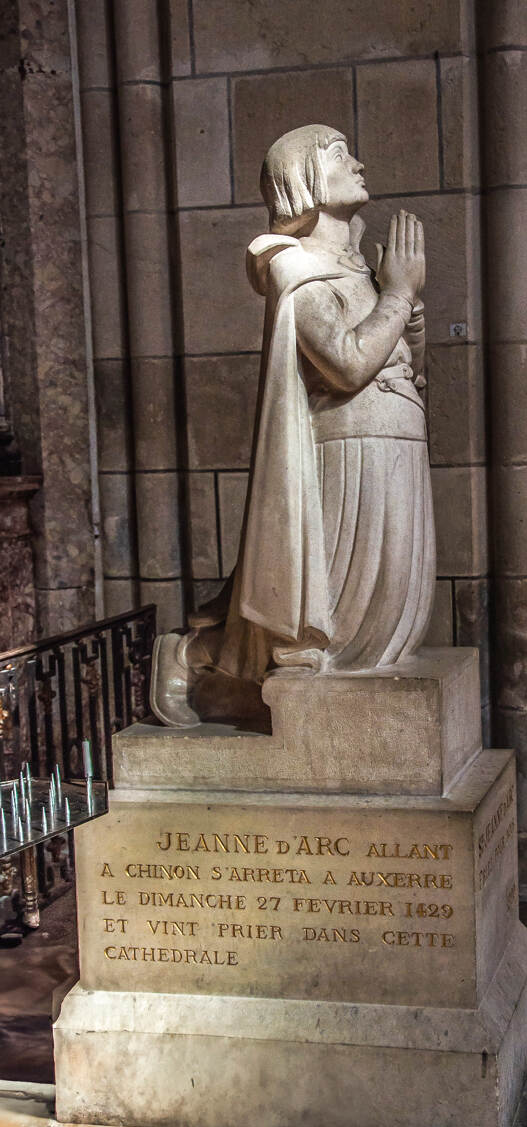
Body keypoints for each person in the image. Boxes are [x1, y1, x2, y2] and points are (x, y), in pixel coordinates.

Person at [150, 124, 436, 727]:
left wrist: (405, 316)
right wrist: (401, 294)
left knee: (381, 622)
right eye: (339, 154)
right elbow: (348, 364)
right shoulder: (291, 265)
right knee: (328, 623)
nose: (357, 162)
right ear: (302, 177)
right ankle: (191, 653)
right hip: (345, 452)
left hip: (396, 443)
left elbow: (408, 366)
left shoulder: (361, 269)